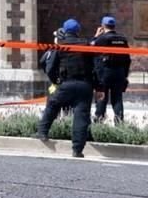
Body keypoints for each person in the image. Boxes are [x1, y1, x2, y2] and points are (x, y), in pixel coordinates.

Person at [35, 18, 95, 158]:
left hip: (66, 83)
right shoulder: (86, 45)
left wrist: (55, 81)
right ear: (77, 31)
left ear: (65, 30)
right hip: (84, 85)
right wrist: (96, 85)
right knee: (81, 116)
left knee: (53, 104)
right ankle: (77, 150)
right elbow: (94, 65)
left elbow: (50, 67)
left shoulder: (60, 46)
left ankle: (42, 132)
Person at [90, 16, 131, 124]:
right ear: (114, 26)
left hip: (104, 73)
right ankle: (120, 124)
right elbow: (127, 59)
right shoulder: (122, 39)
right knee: (117, 99)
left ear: (103, 26)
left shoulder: (101, 39)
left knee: (101, 98)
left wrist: (96, 36)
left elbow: (90, 48)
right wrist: (125, 75)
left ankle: (98, 123)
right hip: (119, 73)